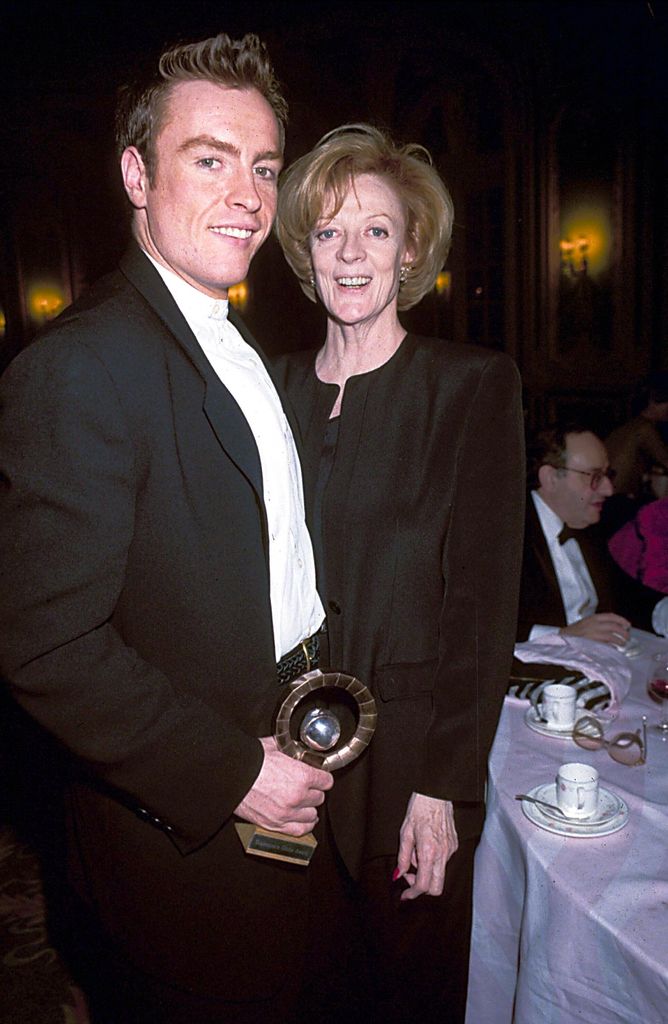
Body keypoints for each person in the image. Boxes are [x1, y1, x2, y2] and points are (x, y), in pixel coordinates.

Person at [0, 32, 340, 1024]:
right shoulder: (82, 365)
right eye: (208, 158)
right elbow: (44, 642)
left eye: (263, 166)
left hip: (284, 785)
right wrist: (238, 774)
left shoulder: (233, 340)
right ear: (134, 174)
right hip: (185, 843)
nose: (245, 192)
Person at [275, 124, 525, 1023]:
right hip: (285, 769)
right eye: (330, 231)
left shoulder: (471, 387)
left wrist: (444, 788)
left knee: (407, 999)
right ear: (305, 249)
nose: (351, 253)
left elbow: (483, 606)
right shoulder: (264, 392)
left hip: (410, 769)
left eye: (376, 231)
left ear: (411, 250)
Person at [517, 420, 668, 644]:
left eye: (608, 475)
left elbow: (625, 595)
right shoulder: (506, 536)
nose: (608, 489)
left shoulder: (588, 525)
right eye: (595, 477)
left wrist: (663, 612)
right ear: (550, 478)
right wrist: (559, 637)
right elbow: (475, 627)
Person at [604, 370, 668, 508]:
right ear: (653, 402)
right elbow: (665, 459)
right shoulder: (644, 429)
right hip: (616, 500)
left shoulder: (632, 425)